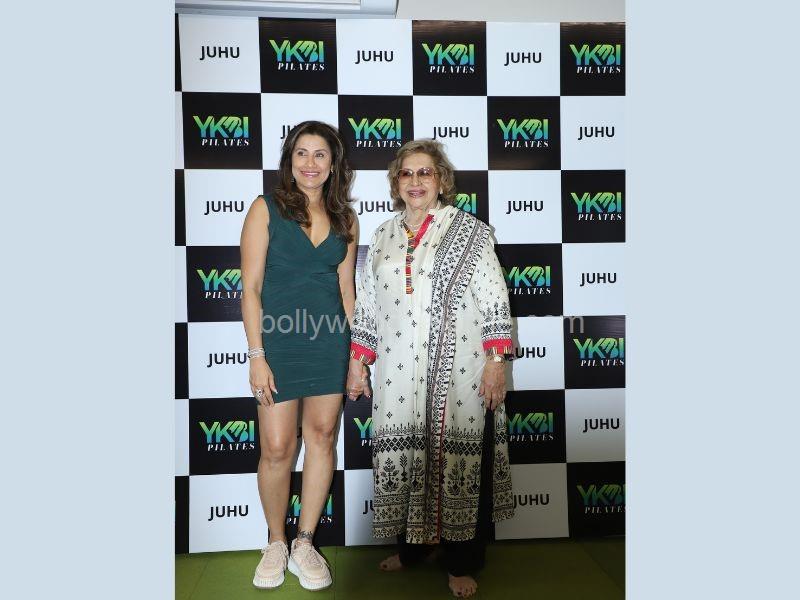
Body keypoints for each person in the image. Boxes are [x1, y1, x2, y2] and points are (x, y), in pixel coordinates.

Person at [346, 139, 514, 598]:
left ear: (441, 180)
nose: (415, 181)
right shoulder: (383, 235)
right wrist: (359, 362)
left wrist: (495, 363)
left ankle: (461, 561)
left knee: (457, 460)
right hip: (398, 374)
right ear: (396, 182)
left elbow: (495, 297)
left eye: (425, 173)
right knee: (407, 456)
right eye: (407, 173)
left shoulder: (471, 232)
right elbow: (368, 305)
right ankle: (413, 550)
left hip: (459, 373)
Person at [240, 121, 357, 591]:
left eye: (320, 154)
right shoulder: (265, 210)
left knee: (323, 437)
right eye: (302, 153)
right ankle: (275, 541)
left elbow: (347, 293)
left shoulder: (346, 220)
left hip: (330, 343)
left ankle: (305, 542)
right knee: (276, 448)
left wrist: (357, 357)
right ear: (290, 160)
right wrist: (256, 355)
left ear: (333, 164)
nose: (311, 163)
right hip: (279, 346)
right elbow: (250, 288)